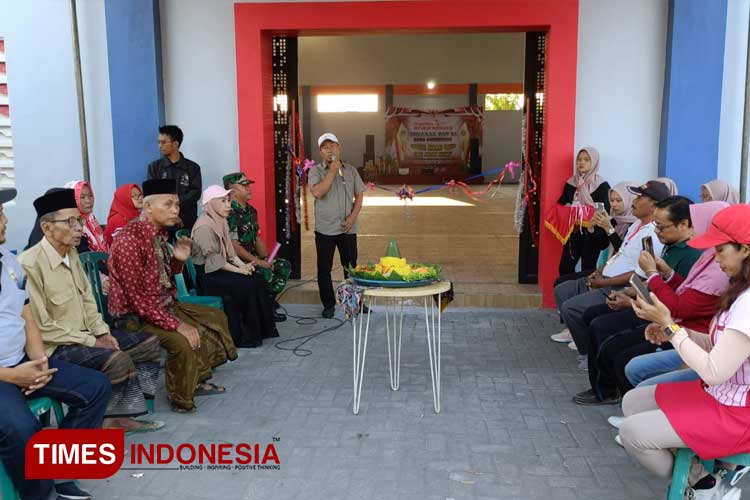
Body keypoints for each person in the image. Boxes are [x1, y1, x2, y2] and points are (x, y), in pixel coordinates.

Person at [622, 203, 750, 499]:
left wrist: (671, 326)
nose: (715, 258)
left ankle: (706, 486)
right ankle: (705, 478)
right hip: (719, 396)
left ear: (744, 249)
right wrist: (673, 331)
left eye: (720, 250)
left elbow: (714, 371)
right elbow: (719, 346)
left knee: (633, 433)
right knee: (633, 402)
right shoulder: (738, 290)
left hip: (736, 413)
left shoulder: (746, 301)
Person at [0, 187, 111, 500]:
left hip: (22, 361)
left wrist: (39, 361)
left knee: (96, 387)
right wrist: (11, 376)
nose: (6, 220)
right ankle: (40, 494)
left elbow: (27, 316)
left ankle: (60, 472)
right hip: (3, 376)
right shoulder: (27, 260)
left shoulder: (8, 262)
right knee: (21, 429)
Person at [20, 188, 163, 433]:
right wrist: (91, 341)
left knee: (149, 343)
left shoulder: (71, 253)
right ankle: (112, 419)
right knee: (116, 359)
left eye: (80, 220)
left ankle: (121, 412)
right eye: (71, 221)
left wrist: (102, 333)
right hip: (56, 346)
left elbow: (88, 301)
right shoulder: (29, 264)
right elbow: (43, 328)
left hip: (85, 337)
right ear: (46, 227)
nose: (79, 227)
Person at [107, 179, 237, 413]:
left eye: (176, 205)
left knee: (214, 318)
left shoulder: (158, 234)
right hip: (134, 318)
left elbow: (164, 278)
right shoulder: (129, 241)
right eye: (168, 204)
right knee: (183, 339)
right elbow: (139, 301)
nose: (175, 210)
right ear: (147, 208)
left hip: (160, 306)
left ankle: (196, 378)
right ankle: (180, 397)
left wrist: (178, 259)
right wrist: (177, 325)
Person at [572, 196, 707, 406]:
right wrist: (631, 292)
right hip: (662, 316)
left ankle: (622, 398)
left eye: (662, 227)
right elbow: (669, 286)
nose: (657, 232)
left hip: (675, 326)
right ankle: (609, 390)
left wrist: (641, 290)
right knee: (597, 323)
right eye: (656, 226)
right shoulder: (672, 245)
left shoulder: (693, 256)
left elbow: (678, 304)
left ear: (685, 225)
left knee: (616, 349)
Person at [552, 180, 670, 357]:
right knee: (562, 289)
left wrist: (604, 282)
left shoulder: (652, 234)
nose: (634, 201)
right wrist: (599, 271)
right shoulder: (636, 226)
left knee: (572, 308)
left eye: (639, 197)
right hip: (606, 278)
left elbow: (642, 273)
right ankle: (581, 339)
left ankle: (588, 353)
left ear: (653, 205)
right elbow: (620, 253)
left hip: (619, 287)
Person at [623, 201, 731, 389]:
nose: (690, 229)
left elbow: (680, 307)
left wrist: (652, 274)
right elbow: (689, 291)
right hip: (693, 336)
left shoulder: (718, 269)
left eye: (694, 224)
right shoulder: (709, 256)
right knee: (631, 365)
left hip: (705, 353)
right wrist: (668, 274)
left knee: (627, 362)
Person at [551, 181, 638, 344]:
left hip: (620, 278)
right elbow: (601, 245)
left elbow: (624, 253)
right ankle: (572, 329)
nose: (615, 204)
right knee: (561, 284)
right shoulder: (614, 220)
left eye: (619, 200)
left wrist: (609, 230)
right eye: (612, 200)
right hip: (606, 269)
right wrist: (592, 229)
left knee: (571, 297)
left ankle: (580, 335)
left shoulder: (634, 225)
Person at [191, 185, 277, 348]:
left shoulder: (220, 221)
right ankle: (242, 336)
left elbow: (231, 254)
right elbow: (215, 261)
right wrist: (239, 270)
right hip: (208, 276)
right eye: (223, 201)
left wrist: (244, 267)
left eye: (228, 200)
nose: (228, 205)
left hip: (220, 270)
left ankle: (263, 330)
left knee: (256, 277)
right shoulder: (204, 226)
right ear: (212, 203)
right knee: (245, 284)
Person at [308, 133, 367, 318]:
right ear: (320, 152)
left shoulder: (350, 170)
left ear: (339, 148)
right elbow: (318, 192)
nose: (330, 150)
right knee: (324, 268)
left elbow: (359, 197)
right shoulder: (316, 171)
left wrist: (352, 217)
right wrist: (332, 171)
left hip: (348, 228)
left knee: (350, 267)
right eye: (325, 147)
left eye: (332, 146)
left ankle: (354, 303)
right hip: (326, 229)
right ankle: (328, 305)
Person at [223, 172, 290, 322]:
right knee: (263, 272)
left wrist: (266, 257)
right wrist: (260, 262)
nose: (249, 188)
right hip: (236, 261)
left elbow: (257, 238)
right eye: (244, 185)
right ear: (232, 191)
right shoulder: (229, 212)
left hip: (252, 257)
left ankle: (267, 303)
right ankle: (265, 309)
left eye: (248, 185)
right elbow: (234, 246)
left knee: (282, 266)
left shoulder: (251, 211)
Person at [555, 147, 611, 276]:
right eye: (579, 159)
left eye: (586, 160)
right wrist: (569, 207)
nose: (581, 163)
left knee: (588, 268)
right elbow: (561, 204)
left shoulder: (601, 185)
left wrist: (586, 211)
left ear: (594, 162)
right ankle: (568, 293)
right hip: (573, 232)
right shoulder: (571, 183)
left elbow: (605, 210)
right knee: (565, 267)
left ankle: (584, 294)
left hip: (592, 233)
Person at [147, 125, 202, 230]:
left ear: (175, 144)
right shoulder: (154, 168)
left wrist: (175, 208)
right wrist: (170, 213)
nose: (160, 146)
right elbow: (152, 196)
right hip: (162, 224)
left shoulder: (193, 168)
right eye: (158, 142)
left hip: (187, 223)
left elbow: (195, 193)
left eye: (163, 142)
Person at [63, 180, 109, 254]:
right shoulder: (70, 226)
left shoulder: (91, 219)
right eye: (82, 197)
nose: (88, 201)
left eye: (90, 196)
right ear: (73, 199)